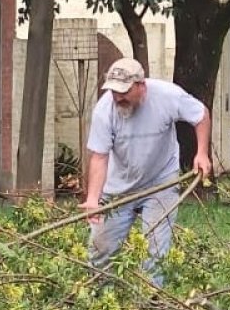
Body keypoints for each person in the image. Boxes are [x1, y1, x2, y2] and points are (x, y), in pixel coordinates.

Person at [79, 57, 212, 286]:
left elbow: (200, 115)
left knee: (155, 254)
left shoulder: (167, 96)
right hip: (118, 189)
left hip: (161, 183)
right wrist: (93, 199)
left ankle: (150, 302)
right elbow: (99, 157)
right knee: (101, 252)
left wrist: (201, 153)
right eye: (114, 91)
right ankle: (98, 299)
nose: (118, 97)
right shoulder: (104, 110)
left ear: (141, 85)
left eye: (124, 91)